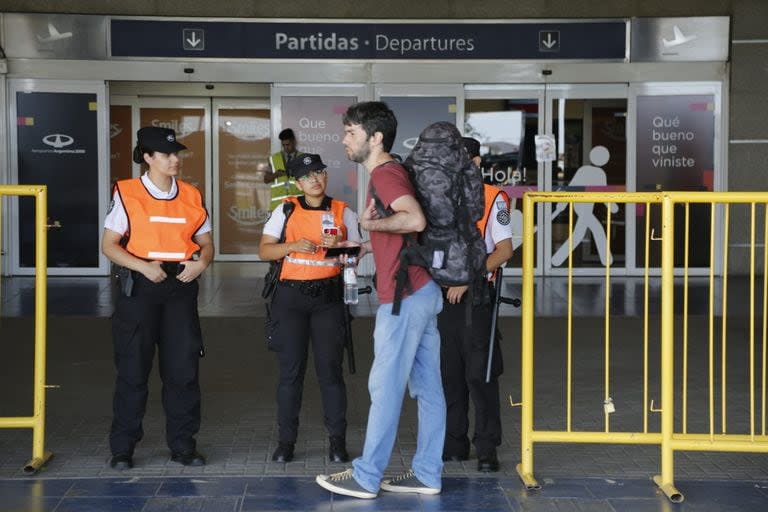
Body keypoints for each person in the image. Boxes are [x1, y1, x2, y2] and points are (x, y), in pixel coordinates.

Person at [316, 101, 445, 499]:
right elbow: (404, 232)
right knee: (428, 390)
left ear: (375, 138)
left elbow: (414, 219)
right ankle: (427, 473)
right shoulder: (394, 171)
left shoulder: (386, 175)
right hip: (422, 291)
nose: (344, 139)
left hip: (403, 298)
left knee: (385, 387)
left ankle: (367, 476)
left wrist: (370, 223)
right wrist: (369, 245)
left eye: (351, 132)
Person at [103, 126, 214, 470]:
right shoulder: (127, 193)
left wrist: (202, 263)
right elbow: (109, 246)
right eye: (166, 154)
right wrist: (141, 266)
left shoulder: (192, 195)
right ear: (147, 158)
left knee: (183, 371)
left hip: (181, 287)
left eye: (177, 154)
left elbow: (206, 242)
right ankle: (123, 449)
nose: (174, 160)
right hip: (141, 289)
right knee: (133, 370)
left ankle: (183, 446)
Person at [259, 153, 361, 464]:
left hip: (328, 300)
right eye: (307, 176)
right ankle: (286, 442)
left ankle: (337, 442)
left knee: (331, 372)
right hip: (290, 299)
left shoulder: (345, 212)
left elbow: (356, 254)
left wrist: (347, 255)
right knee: (291, 374)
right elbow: (264, 251)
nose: (315, 179)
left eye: (319, 172)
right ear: (298, 182)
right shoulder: (286, 209)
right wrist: (291, 246)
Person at [438, 137, 513, 473]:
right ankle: (454, 444)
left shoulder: (493, 198)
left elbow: (504, 250)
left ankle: (486, 447)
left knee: (479, 375)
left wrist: (468, 278)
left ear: (477, 163)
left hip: (477, 298)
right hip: (443, 300)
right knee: (449, 374)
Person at [266, 128, 303, 209]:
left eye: (288, 144)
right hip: (278, 206)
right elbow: (266, 180)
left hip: (298, 205)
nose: (286, 148)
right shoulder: (274, 159)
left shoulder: (303, 158)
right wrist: (276, 175)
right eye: (283, 145)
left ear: (294, 142)